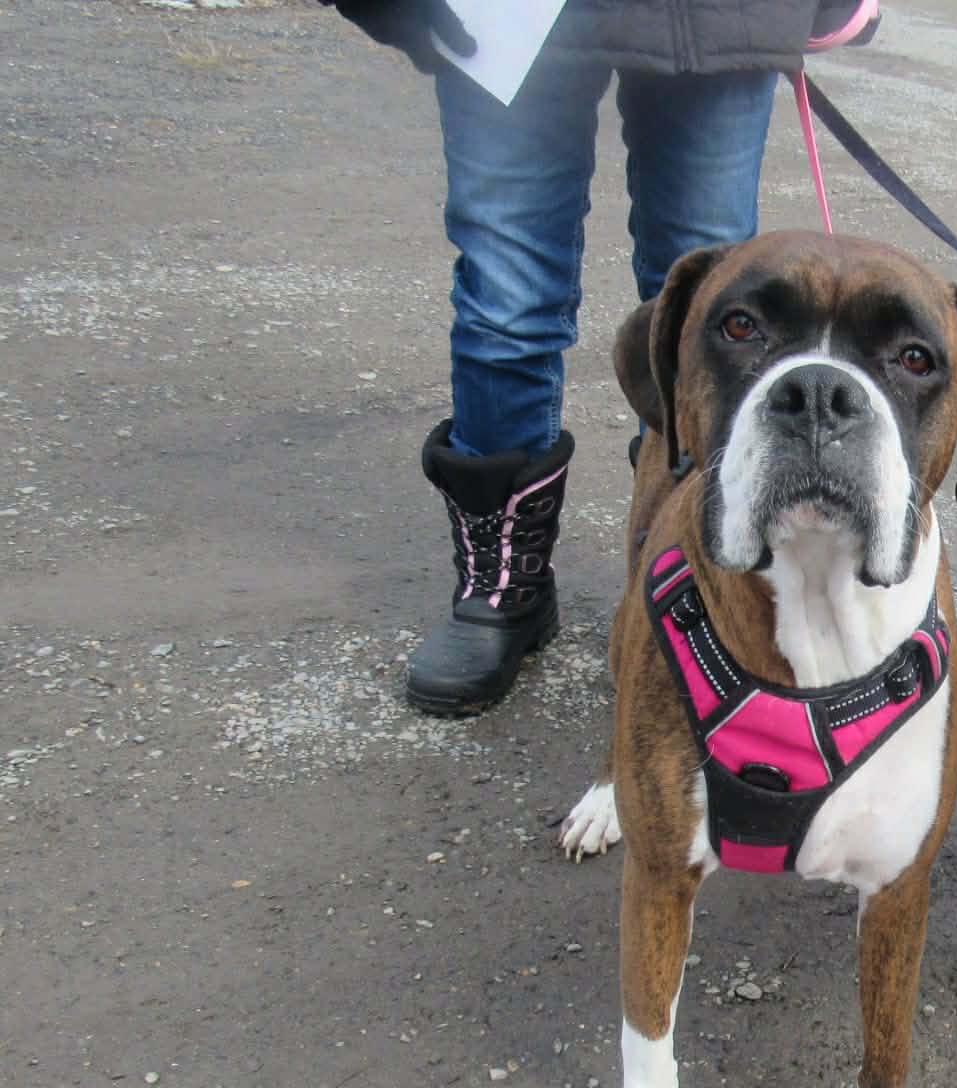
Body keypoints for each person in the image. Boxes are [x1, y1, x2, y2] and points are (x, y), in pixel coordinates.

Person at [321, 0, 877, 714]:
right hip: (502, 17)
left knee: (719, 320)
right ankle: (502, 588)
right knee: (506, 297)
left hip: (725, 15)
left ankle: (691, 574)